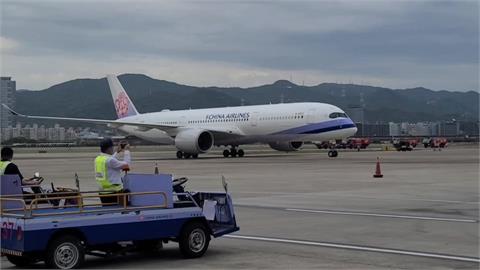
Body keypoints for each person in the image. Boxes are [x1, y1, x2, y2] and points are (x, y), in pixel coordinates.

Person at [95, 138, 131, 205]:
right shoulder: (110, 160)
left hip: (102, 192)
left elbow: (110, 160)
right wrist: (127, 151)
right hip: (114, 192)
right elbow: (127, 165)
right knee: (118, 211)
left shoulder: (98, 159)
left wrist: (117, 152)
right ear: (109, 148)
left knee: (108, 211)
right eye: (112, 147)